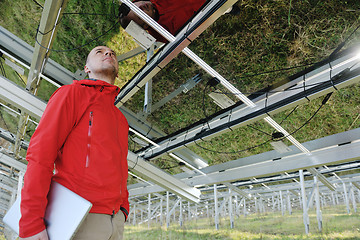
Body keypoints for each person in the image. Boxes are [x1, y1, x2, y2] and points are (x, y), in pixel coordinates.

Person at [19, 46, 129, 240]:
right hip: (80, 216)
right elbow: (41, 154)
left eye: (112, 52)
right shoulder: (71, 94)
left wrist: (123, 208)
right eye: (99, 52)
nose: (109, 53)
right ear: (87, 68)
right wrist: (31, 221)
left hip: (114, 221)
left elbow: (121, 167)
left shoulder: (120, 119)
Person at [120, 0, 207, 42]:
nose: (142, 7)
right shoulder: (164, 33)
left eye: (135, 7)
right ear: (146, 25)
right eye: (140, 15)